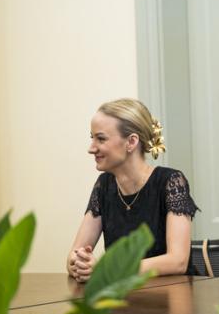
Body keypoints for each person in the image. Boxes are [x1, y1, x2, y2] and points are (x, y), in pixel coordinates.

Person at [67, 98, 199, 282]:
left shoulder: (171, 181)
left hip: (172, 294)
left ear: (131, 142)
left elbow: (178, 262)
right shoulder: (104, 185)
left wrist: (109, 269)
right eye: (92, 138)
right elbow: (73, 255)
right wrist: (79, 264)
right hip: (122, 295)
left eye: (101, 139)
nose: (91, 148)